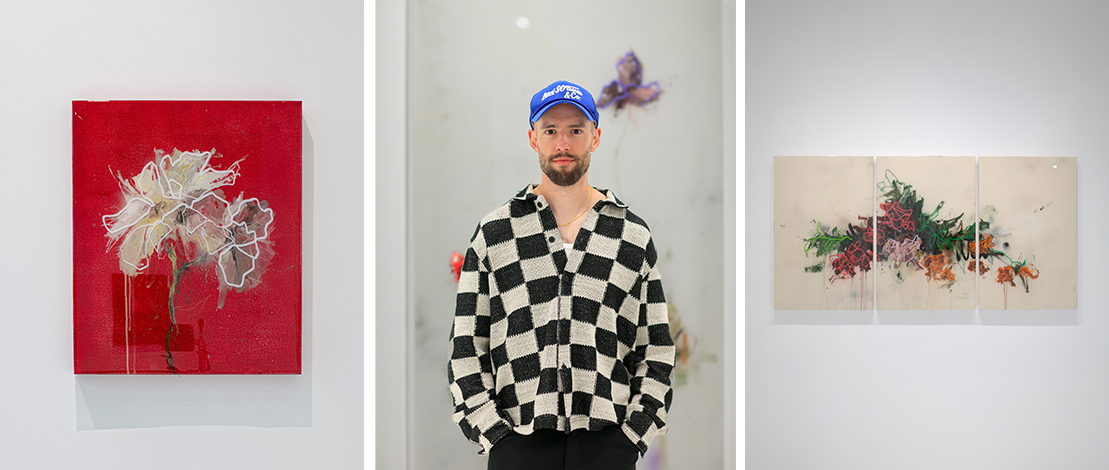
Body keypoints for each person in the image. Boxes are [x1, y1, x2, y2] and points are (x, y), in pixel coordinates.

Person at [447, 80, 675, 470]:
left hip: (608, 446)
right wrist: (494, 436)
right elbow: (467, 348)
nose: (563, 144)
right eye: (550, 130)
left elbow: (655, 350)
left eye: (575, 130)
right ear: (534, 139)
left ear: (595, 138)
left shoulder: (631, 236)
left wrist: (631, 437)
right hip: (517, 443)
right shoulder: (495, 233)